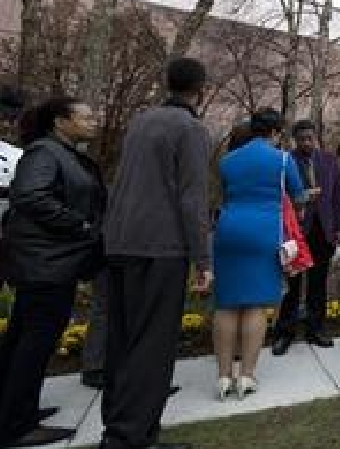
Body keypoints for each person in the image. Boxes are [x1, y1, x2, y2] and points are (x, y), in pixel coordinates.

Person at [99, 58, 213, 449]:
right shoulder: (191, 129)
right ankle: (130, 437)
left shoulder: (141, 121)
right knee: (153, 345)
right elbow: (193, 198)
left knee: (124, 340)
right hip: (160, 248)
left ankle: (121, 426)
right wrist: (203, 260)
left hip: (120, 242)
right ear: (200, 88)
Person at [0, 97, 104, 448]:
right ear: (61, 121)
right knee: (35, 343)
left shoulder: (62, 153)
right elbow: (31, 197)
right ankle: (16, 425)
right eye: (85, 116)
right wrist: (82, 225)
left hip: (50, 262)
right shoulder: (45, 153)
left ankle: (13, 410)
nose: (94, 120)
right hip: (46, 265)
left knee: (22, 340)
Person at [211, 109, 306, 400]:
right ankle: (247, 376)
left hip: (228, 230)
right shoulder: (282, 160)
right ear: (277, 133)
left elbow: (224, 194)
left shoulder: (228, 160)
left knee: (226, 303)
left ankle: (224, 377)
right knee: (255, 305)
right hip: (264, 231)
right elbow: (298, 194)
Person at [271, 120, 340, 355]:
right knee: (292, 285)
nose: (306, 142)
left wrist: (339, 227)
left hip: (323, 231)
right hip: (296, 232)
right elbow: (279, 196)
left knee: (318, 284)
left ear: (316, 137)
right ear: (295, 139)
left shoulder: (329, 161)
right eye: (301, 138)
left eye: (309, 138)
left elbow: (338, 197)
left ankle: (316, 329)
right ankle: (285, 332)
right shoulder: (286, 161)